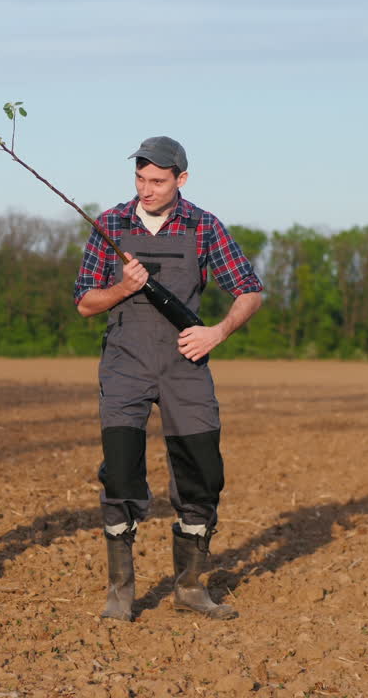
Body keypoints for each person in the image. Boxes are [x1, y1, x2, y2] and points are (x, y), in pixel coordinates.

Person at [74, 137, 263, 622]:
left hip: (185, 366)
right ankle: (121, 590)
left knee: (204, 474)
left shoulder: (204, 226)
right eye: (140, 179)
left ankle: (191, 587)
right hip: (125, 363)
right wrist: (123, 287)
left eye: (157, 181)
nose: (146, 189)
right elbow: (84, 303)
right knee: (120, 473)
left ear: (181, 179)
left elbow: (249, 290)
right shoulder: (111, 223)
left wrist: (216, 333)